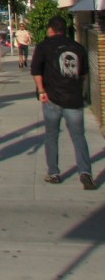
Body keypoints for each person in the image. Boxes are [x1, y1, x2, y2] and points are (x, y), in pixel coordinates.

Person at [31, 16, 97, 190]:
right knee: (78, 136)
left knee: (52, 135)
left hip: (52, 98)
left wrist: (41, 90)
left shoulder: (44, 46)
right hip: (74, 99)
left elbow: (36, 71)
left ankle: (54, 172)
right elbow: (83, 74)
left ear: (51, 29)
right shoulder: (78, 48)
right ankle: (85, 173)